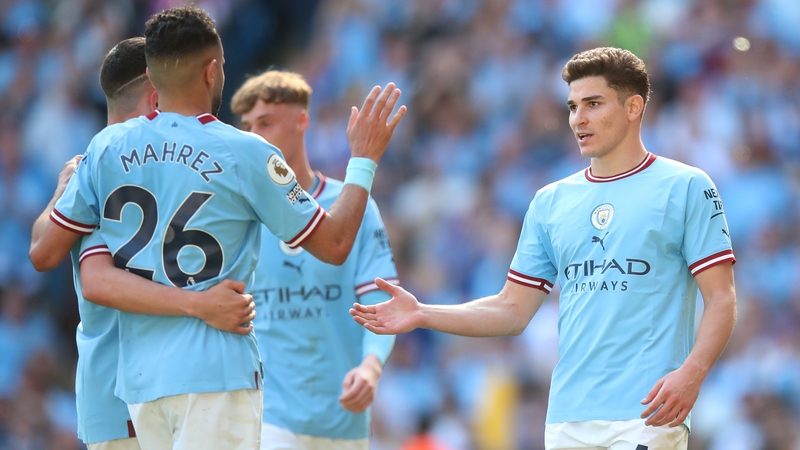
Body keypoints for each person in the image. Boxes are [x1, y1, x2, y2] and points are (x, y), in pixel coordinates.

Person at [29, 6, 405, 450]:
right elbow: (337, 242)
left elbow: (51, 257)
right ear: (211, 71)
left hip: (140, 385)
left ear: (153, 75)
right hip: (215, 370)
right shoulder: (244, 151)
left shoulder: (106, 148)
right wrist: (364, 159)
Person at [351, 47, 737, 450]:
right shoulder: (550, 201)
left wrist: (692, 373)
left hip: (647, 413)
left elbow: (722, 298)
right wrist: (421, 313)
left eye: (593, 104)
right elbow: (512, 310)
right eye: (572, 107)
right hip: (567, 418)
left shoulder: (686, 187)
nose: (578, 119)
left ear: (633, 107)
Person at [35, 37, 256, 450]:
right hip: (134, 390)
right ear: (157, 97)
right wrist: (201, 305)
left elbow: (41, 250)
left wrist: (57, 195)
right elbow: (84, 274)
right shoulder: (110, 170)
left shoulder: (91, 166)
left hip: (144, 387)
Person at [230, 70, 398, 450]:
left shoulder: (352, 207)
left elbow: (381, 299)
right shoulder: (239, 214)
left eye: (266, 123)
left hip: (343, 416)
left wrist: (371, 367)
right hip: (268, 414)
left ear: (302, 121)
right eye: (247, 127)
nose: (254, 137)